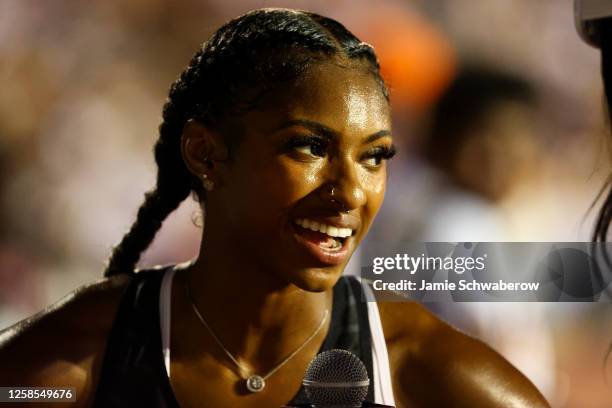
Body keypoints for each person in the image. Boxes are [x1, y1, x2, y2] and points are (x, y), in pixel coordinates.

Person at [0, 8, 549, 407]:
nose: (353, 192)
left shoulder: (419, 368)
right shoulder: (75, 362)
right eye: (309, 146)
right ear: (206, 154)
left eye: (375, 156)